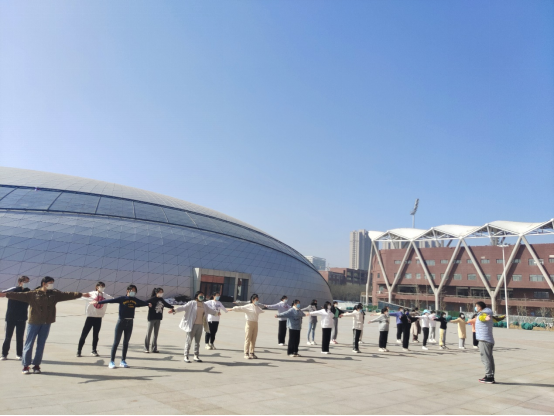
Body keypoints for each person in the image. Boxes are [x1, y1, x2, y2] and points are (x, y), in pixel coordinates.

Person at [0, 277, 89, 374]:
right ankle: (26, 366)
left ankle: (36, 365)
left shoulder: (54, 294)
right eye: (50, 283)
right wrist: (5, 294)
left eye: (52, 283)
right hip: (34, 322)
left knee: (41, 345)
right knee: (29, 344)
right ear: (43, 283)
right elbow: (18, 295)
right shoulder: (33, 294)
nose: (51, 285)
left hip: (46, 323)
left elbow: (67, 294)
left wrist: (81, 294)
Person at [96, 285, 151, 369]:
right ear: (127, 291)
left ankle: (123, 361)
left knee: (126, 342)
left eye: (135, 291)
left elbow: (142, 302)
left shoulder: (134, 299)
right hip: (121, 322)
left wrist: (148, 304)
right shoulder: (122, 298)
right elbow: (111, 300)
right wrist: (98, 302)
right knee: (116, 342)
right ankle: (112, 361)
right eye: (132, 290)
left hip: (130, 322)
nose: (133, 292)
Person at [169, 291, 218, 363]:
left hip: (200, 325)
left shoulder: (204, 305)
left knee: (197, 342)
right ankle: (186, 356)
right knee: (188, 341)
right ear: (196, 296)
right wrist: (174, 310)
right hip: (192, 325)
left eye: (203, 295)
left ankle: (196, 356)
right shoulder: (191, 303)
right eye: (200, 295)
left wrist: (216, 313)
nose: (202, 297)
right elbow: (183, 307)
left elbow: (210, 310)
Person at [77, 281, 112, 358]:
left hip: (99, 318)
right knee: (84, 334)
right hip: (90, 317)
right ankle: (79, 350)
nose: (102, 288)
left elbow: (112, 299)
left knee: (96, 335)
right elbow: (81, 296)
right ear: (97, 287)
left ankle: (94, 350)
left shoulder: (105, 295)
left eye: (103, 286)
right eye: (101, 286)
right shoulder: (92, 294)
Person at [1, 276, 31, 361]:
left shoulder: (29, 291)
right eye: (25, 282)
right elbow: (2, 293)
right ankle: (4, 354)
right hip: (11, 317)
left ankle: (19, 354)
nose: (26, 283)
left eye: (28, 282)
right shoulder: (13, 289)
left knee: (20, 337)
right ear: (20, 282)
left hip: (22, 317)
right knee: (8, 337)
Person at [228, 294, 264, 359]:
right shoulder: (248, 306)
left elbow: (261, 310)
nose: (257, 301)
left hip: (255, 323)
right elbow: (240, 308)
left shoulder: (257, 307)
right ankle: (246, 353)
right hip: (249, 323)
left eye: (258, 300)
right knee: (248, 338)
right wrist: (233, 309)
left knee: (253, 339)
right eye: (256, 300)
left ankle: (252, 353)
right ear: (252, 300)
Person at [144, 288, 175, 354]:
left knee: (156, 334)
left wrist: (171, 307)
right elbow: (145, 302)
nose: (161, 293)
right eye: (160, 292)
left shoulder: (161, 299)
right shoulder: (152, 299)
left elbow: (166, 304)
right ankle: (146, 348)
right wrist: (148, 304)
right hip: (152, 318)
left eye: (162, 292)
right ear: (156, 292)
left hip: (158, 318)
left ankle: (154, 348)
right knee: (149, 333)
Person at [475, 301, 496, 384]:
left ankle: (489, 376)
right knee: (489, 358)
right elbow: (495, 319)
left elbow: (482, 317)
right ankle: (489, 376)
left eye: (476, 306)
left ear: (480, 307)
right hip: (489, 339)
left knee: (485, 358)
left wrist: (485, 318)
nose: (476, 308)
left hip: (484, 340)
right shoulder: (489, 313)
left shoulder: (482, 314)